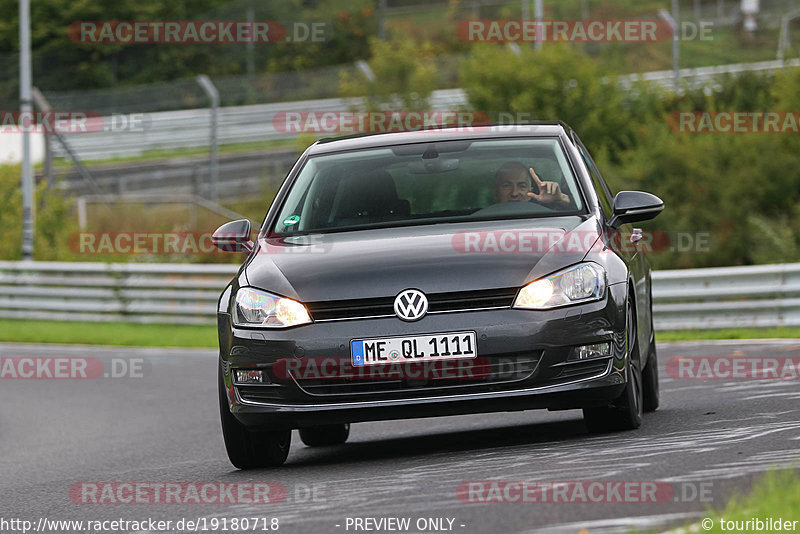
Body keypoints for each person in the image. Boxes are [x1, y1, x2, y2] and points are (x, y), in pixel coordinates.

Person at [494, 161, 570, 206]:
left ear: (531, 191)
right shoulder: (482, 220)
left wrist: (560, 198)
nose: (514, 193)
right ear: (496, 192)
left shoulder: (549, 216)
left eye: (522, 186)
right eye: (507, 186)